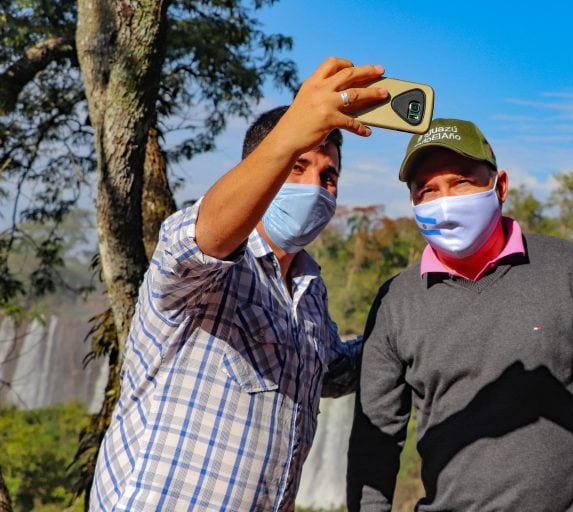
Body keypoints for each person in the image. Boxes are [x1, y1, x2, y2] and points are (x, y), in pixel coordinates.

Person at [90, 57, 390, 511]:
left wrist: (410, 323)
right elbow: (204, 238)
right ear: (261, 170)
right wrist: (292, 131)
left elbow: (331, 370)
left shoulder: (310, 292)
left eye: (328, 177)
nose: (316, 186)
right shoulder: (200, 266)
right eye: (296, 166)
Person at [346, 118, 573, 511]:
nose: (444, 199)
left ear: (499, 186)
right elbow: (375, 441)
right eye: (427, 190)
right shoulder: (396, 301)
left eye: (462, 182)